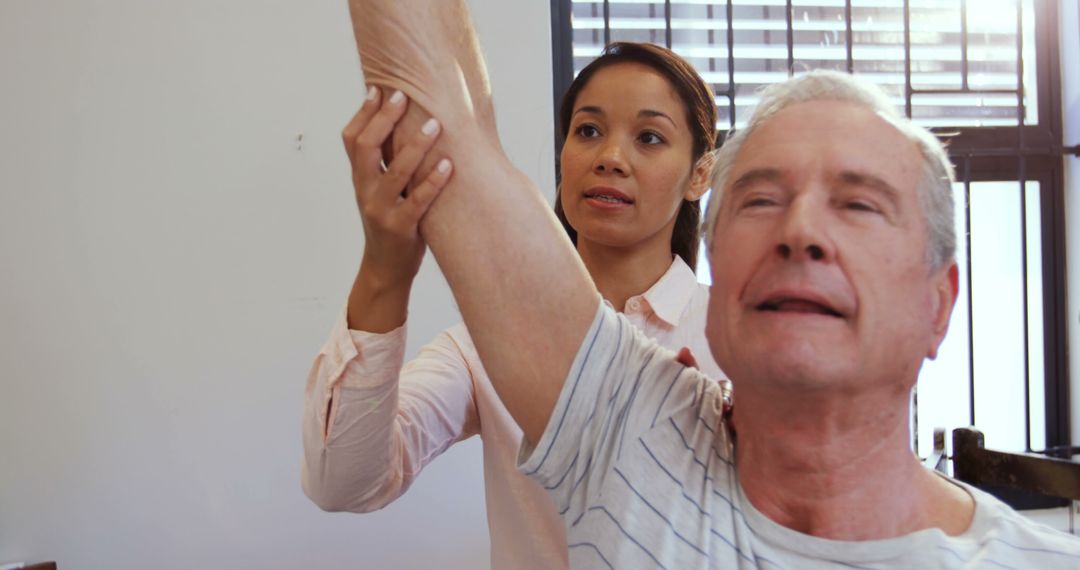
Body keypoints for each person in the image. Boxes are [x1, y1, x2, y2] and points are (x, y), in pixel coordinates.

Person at [342, 0, 1080, 567]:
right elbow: (447, 118)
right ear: (721, 271)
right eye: (760, 199)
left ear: (939, 303)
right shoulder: (637, 436)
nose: (801, 231)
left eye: (858, 204)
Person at [301, 41, 728, 569]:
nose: (610, 159)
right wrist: (385, 271)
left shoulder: (742, 338)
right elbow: (341, 481)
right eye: (588, 131)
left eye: (649, 137)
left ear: (700, 174)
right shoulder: (487, 343)